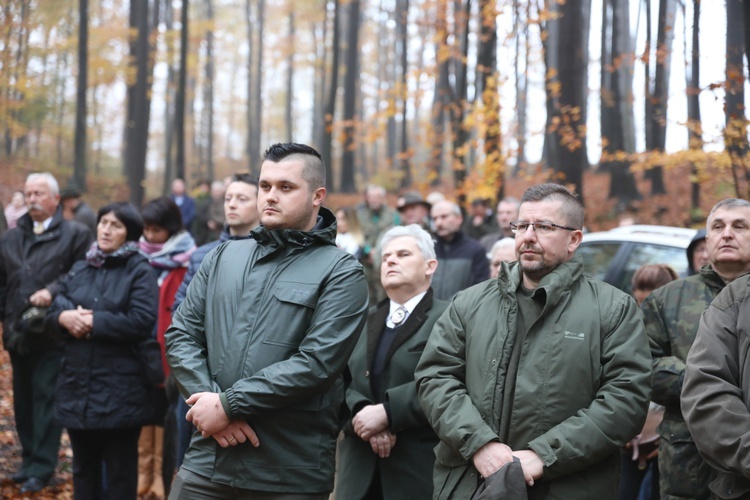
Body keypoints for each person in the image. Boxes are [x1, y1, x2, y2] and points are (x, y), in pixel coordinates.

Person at [415, 183, 651, 499]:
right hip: (470, 484)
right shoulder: (469, 303)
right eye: (522, 225)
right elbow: (435, 377)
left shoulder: (613, 309)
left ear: (574, 239)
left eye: (543, 226)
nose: (528, 235)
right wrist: (479, 443)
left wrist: (543, 456)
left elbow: (626, 400)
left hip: (567, 487)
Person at [165, 143, 369, 498]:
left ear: (317, 195)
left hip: (288, 472)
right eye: (265, 186)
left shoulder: (341, 271)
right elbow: (181, 335)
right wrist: (209, 403)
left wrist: (227, 406)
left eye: (285, 187)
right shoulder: (224, 255)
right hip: (207, 461)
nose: (270, 197)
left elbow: (317, 364)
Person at [47, 202, 159, 499]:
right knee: (84, 470)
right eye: (104, 222)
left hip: (120, 390)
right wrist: (63, 318)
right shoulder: (82, 266)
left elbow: (142, 320)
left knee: (120, 474)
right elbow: (57, 306)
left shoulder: (139, 269)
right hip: (77, 385)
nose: (107, 230)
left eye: (116, 225)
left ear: (129, 234)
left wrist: (93, 321)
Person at [642, 198, 750, 500]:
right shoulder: (666, 299)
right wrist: (703, 381)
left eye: (739, 226)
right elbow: (639, 365)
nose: (726, 234)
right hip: (687, 461)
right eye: (718, 227)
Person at [336, 224, 449, 500]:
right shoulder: (362, 319)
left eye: (403, 254)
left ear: (429, 265)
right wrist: (363, 417)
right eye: (386, 257)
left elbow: (450, 381)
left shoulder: (450, 318)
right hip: (358, 474)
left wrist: (389, 413)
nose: (391, 261)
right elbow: (337, 382)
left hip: (415, 473)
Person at [0, 172, 93, 494]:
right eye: (28, 193)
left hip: (51, 332)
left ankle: (42, 466)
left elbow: (81, 272)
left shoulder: (76, 234)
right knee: (23, 402)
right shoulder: (10, 237)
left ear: (56, 199)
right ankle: (27, 463)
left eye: (40, 193)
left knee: (45, 399)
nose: (32, 199)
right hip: (17, 332)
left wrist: (52, 291)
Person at [171, 173, 260, 468]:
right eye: (228, 198)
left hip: (246, 387)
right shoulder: (202, 255)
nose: (232, 204)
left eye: (242, 198)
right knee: (190, 468)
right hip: (197, 379)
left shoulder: (272, 257)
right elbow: (181, 315)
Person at [138, 196, 196, 498]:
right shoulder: (138, 258)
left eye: (156, 230)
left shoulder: (188, 260)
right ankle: (143, 479)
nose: (149, 236)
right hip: (139, 354)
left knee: (167, 417)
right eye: (146, 229)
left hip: (168, 357)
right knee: (145, 415)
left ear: (171, 229)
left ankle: (161, 481)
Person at [681, 272, 750, 499]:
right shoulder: (736, 299)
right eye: (718, 232)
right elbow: (706, 388)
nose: (728, 235)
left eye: (739, 231)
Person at [620, 263, 679, 500]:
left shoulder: (679, 332)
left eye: (650, 306)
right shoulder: (623, 327)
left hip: (666, 438)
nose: (643, 311)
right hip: (628, 437)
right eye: (639, 303)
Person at [429, 200, 489, 301]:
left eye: (444, 217)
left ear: (459, 218)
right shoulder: (429, 250)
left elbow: (480, 289)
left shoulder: (475, 250)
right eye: (435, 218)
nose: (438, 223)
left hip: (461, 313)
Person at [192, 181, 226, 246]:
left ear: (222, 191)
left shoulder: (226, 202)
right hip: (207, 235)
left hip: (223, 233)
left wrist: (216, 222)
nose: (217, 193)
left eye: (218, 191)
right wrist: (208, 221)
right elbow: (202, 216)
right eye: (215, 191)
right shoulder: (206, 202)